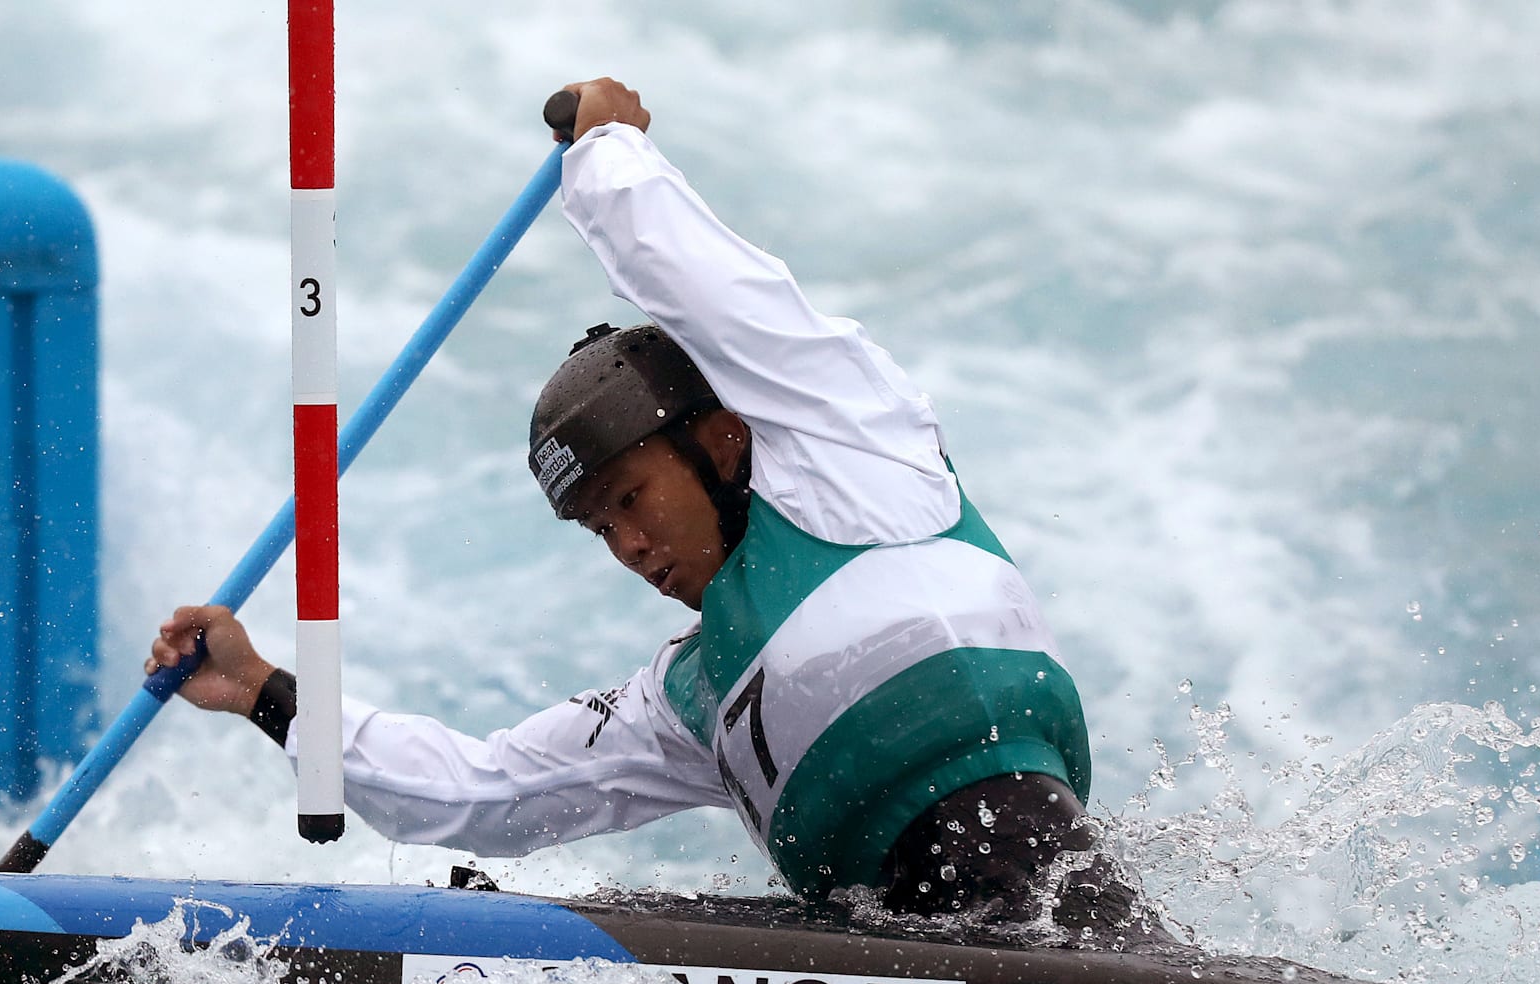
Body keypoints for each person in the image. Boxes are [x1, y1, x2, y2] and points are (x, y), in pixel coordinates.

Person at [149, 78, 1124, 926]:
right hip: (910, 966)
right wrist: (263, 691)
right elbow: (483, 793)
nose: (626, 544)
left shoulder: (855, 457)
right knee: (493, 881)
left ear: (718, 441)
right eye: (598, 527)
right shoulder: (692, 696)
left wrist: (608, 149)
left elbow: (707, 286)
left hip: (1062, 916)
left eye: (630, 498)